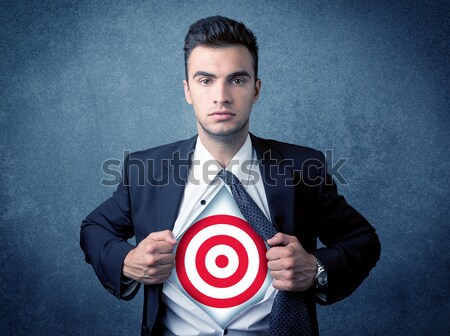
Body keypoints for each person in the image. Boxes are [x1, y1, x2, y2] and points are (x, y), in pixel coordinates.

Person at [80, 16, 381, 336]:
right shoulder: (146, 170)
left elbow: (362, 241)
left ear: (256, 89)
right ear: (188, 91)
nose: (221, 95)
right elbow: (94, 230)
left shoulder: (303, 168)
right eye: (205, 80)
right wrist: (127, 261)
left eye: (236, 80)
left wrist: (315, 269)